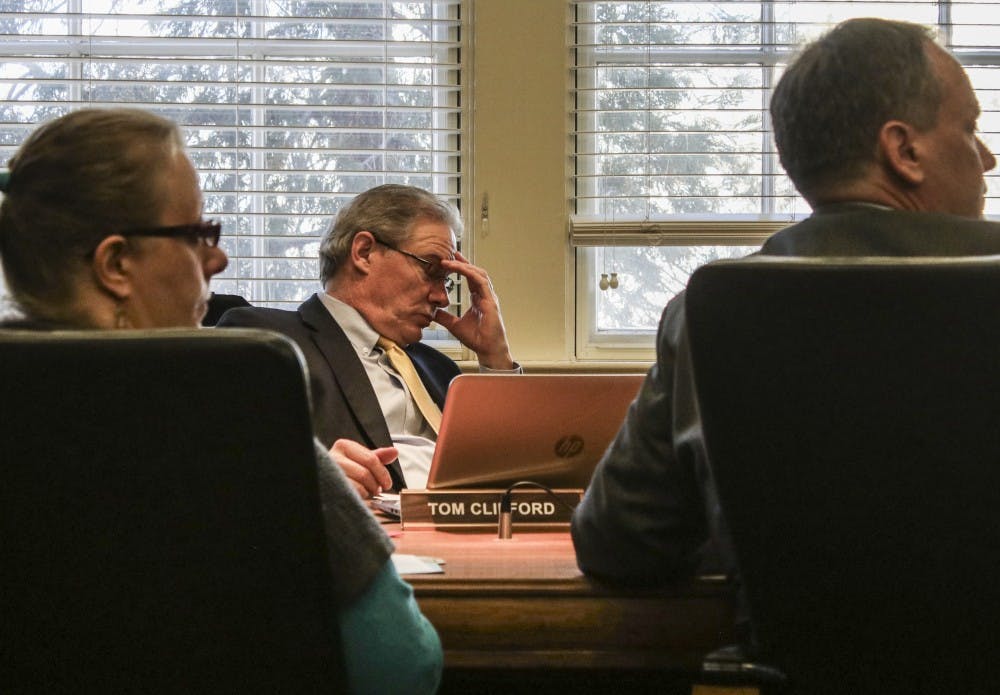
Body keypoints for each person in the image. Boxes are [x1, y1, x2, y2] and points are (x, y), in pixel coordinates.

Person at [0, 108, 442, 694]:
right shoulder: (244, 406)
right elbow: (401, 665)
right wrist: (302, 480)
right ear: (116, 263)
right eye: (198, 236)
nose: (219, 260)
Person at [572, 18, 1000, 592]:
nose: (987, 157)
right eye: (970, 127)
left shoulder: (714, 309)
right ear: (904, 149)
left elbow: (620, 542)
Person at [218, 183, 520, 497]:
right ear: (364, 253)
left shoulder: (438, 369)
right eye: (431, 271)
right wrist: (310, 473)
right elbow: (232, 465)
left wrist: (495, 357)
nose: (442, 298)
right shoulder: (270, 341)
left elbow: (511, 468)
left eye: (446, 281)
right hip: (370, 532)